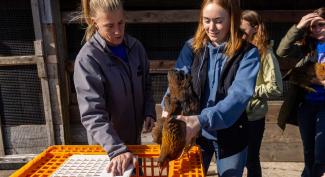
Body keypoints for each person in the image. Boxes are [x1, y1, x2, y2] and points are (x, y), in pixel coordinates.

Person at [161, 0, 260, 176]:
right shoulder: (192, 47)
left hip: (231, 134)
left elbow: (238, 96)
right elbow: (177, 79)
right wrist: (168, 106)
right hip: (195, 135)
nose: (211, 27)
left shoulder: (248, 53)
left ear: (232, 19)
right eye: (206, 20)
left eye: (218, 20)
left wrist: (201, 120)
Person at [73, 0, 156, 176]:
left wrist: (149, 111)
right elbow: (92, 114)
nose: (118, 31)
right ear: (94, 22)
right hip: (108, 151)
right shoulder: (88, 59)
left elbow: (146, 84)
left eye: (121, 23)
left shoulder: (136, 48)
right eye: (109, 26)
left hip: (134, 143)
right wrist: (116, 150)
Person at [276, 7, 325, 177]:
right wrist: (299, 26)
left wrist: (318, 81)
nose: (317, 30)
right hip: (307, 104)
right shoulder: (306, 47)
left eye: (321, 25)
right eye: (313, 26)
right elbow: (281, 51)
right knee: (309, 149)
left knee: (321, 150)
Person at [240, 10, 283, 177]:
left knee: (251, 160)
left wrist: (248, 91)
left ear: (255, 28)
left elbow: (276, 88)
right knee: (232, 158)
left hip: (252, 116)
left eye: (242, 30)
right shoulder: (235, 50)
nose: (237, 33)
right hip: (233, 114)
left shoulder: (265, 53)